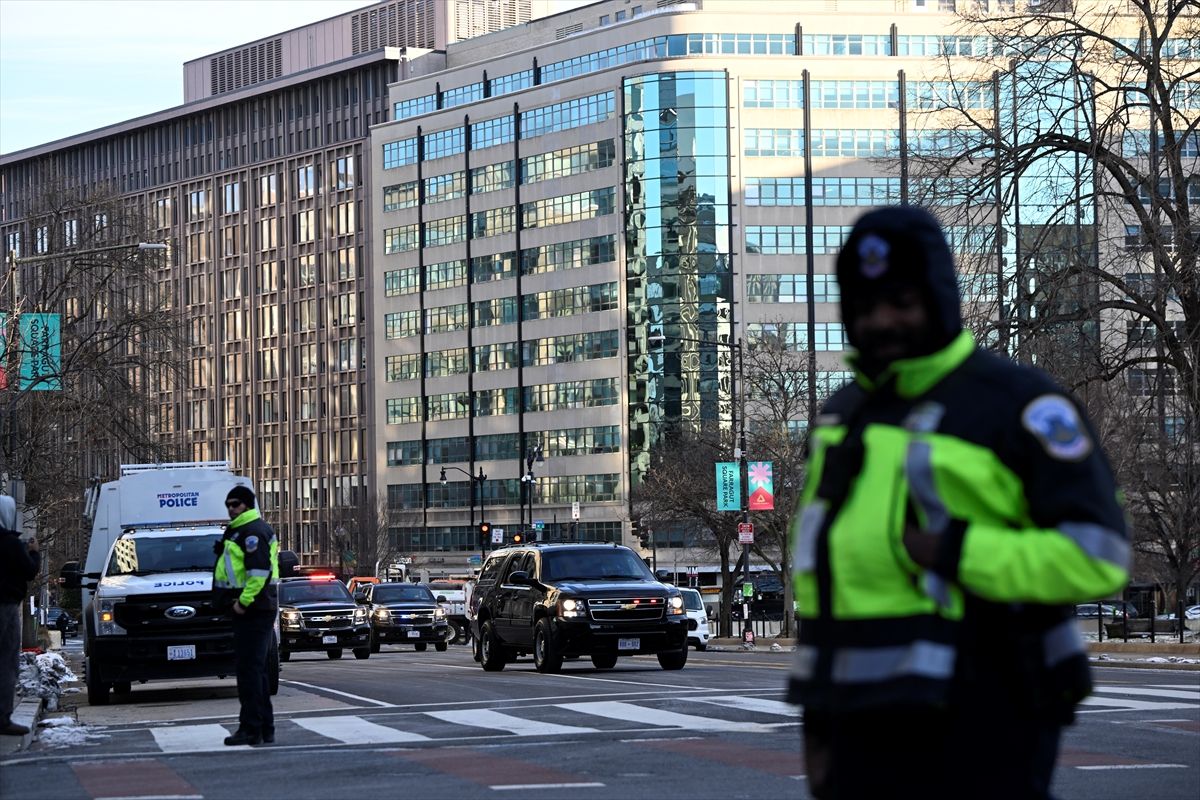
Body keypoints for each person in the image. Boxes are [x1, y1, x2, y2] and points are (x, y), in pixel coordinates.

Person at [787, 206, 1130, 800]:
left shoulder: (1016, 405)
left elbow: (1097, 555)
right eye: (865, 306)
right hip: (858, 723)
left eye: (902, 302)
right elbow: (827, 579)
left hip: (986, 713)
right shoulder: (842, 415)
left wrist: (956, 549)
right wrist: (818, 720)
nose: (882, 321)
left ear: (940, 298)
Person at [213, 485, 279, 746]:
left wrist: (242, 603)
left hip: (254, 609)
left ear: (248, 505)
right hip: (253, 608)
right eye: (228, 504)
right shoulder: (241, 530)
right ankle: (264, 728)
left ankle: (251, 728)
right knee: (255, 670)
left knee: (249, 671)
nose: (231, 509)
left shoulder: (252, 532)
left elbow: (259, 573)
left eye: (236, 504)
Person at [0, 495, 39, 737]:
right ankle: (3, 718)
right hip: (6, 604)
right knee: (7, 661)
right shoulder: (9, 543)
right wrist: (34, 553)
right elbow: (29, 571)